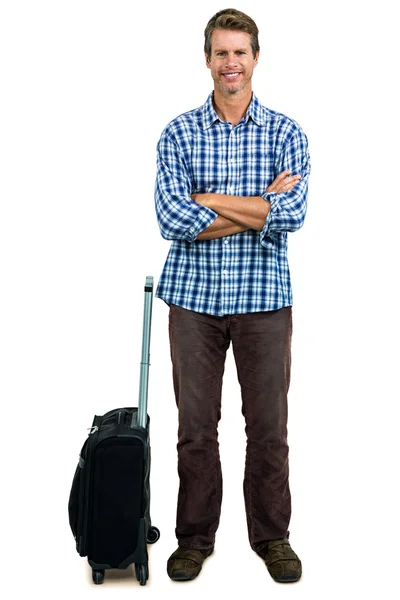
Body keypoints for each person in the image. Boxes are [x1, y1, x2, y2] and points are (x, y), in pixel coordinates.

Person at [154, 8, 310, 584]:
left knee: (268, 428)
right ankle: (194, 538)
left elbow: (292, 212)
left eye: (240, 52)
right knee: (196, 429)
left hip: (265, 301)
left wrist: (209, 200)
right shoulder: (178, 132)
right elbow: (171, 219)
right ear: (207, 59)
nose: (231, 63)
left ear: (256, 58)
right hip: (192, 302)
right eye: (221, 53)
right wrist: (256, 206)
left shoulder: (287, 133)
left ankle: (272, 537)